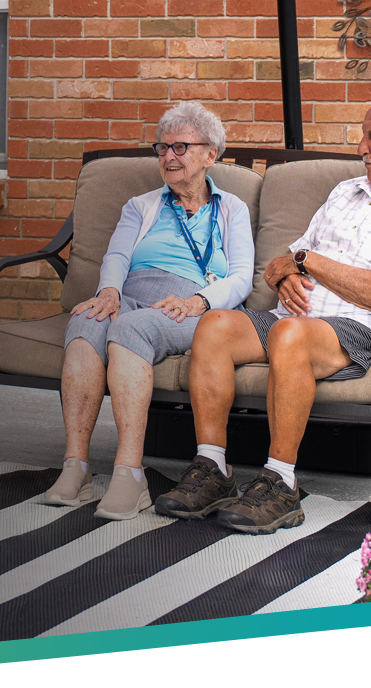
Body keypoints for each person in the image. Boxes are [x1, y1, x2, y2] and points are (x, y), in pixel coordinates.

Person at [154, 91, 371, 534]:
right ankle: (213, 468)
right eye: (362, 137)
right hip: (290, 322)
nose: (361, 148)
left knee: (291, 333)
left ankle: (280, 482)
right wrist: (286, 273)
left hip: (364, 330)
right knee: (214, 325)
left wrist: (309, 263)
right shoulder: (345, 193)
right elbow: (284, 261)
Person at [41, 102, 255, 520]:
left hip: (192, 305)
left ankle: (128, 473)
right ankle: (76, 466)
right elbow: (118, 256)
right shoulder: (141, 205)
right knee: (87, 320)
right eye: (162, 148)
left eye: (180, 147)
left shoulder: (232, 209)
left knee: (132, 329)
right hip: (134, 294)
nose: (168, 157)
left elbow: (243, 278)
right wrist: (108, 294)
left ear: (211, 155)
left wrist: (199, 301)